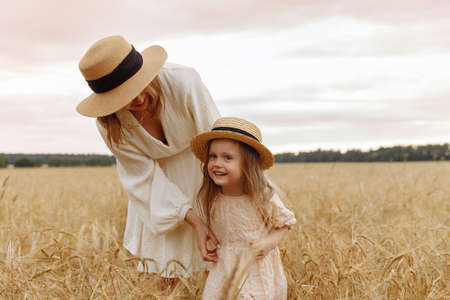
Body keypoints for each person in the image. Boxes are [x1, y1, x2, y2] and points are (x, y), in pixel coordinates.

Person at [76, 35, 221, 278]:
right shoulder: (110, 126)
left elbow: (217, 139)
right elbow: (143, 177)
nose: (139, 99)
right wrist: (192, 218)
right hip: (158, 194)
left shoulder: (183, 81)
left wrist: (228, 199)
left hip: (208, 175)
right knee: (164, 277)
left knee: (217, 270)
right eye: (123, 97)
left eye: (138, 85)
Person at [190, 117, 297, 299]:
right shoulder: (212, 197)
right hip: (224, 267)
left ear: (247, 164)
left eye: (227, 158)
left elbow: (285, 224)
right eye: (213, 156)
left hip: (254, 266)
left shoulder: (261, 195)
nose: (217, 163)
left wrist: (269, 243)